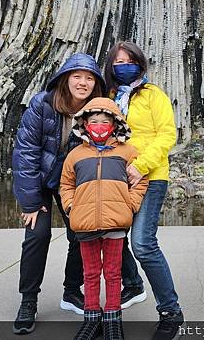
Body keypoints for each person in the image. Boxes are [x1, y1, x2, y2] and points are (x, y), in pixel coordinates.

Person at [11, 53, 106, 335]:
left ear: (96, 84)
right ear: (65, 79)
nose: (83, 82)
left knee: (80, 233)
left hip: (71, 183)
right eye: (77, 76)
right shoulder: (42, 104)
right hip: (39, 182)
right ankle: (28, 300)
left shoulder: (96, 111)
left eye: (89, 78)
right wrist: (29, 203)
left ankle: (71, 290)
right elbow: (25, 153)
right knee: (37, 235)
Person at [104, 41, 184, 340]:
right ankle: (133, 285)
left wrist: (142, 165)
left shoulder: (153, 95)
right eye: (118, 61)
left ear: (140, 63)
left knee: (143, 244)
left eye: (130, 60)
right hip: (116, 179)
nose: (124, 65)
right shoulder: (110, 98)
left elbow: (167, 135)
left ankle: (171, 311)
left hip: (150, 177)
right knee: (112, 234)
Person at [60, 97, 148, 340]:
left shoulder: (127, 151)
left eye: (105, 122)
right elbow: (66, 184)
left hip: (116, 224)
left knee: (112, 272)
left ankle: (112, 317)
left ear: (115, 124)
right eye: (94, 121)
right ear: (85, 125)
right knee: (90, 273)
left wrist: (129, 206)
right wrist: (70, 207)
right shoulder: (75, 155)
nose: (99, 126)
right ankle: (91, 318)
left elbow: (141, 181)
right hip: (85, 223)